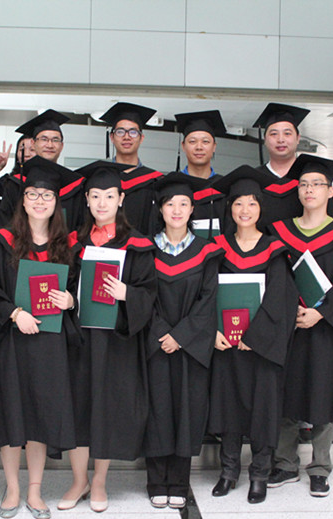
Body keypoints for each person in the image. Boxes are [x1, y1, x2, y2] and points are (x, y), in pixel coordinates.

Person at [0, 159, 83, 519]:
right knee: (13, 414)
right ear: (22, 201)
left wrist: (71, 301)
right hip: (13, 342)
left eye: (47, 195)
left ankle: (35, 491)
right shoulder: (3, 242)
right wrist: (15, 314)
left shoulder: (67, 246)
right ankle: (12, 489)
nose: (40, 201)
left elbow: (78, 291)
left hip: (51, 345)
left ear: (57, 202)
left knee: (40, 415)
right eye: (33, 195)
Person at [59, 161, 156, 513]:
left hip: (115, 340)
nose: (102, 203)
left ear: (121, 199)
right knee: (78, 406)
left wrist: (128, 293)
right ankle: (78, 480)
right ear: (86, 200)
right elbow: (65, 285)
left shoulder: (137, 244)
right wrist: (69, 299)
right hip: (79, 338)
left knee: (106, 408)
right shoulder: (72, 243)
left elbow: (149, 293)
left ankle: (99, 481)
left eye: (109, 196)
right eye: (96, 196)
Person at [267, 154, 333, 497]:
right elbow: (273, 277)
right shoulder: (280, 232)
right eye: (304, 184)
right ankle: (285, 462)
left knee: (324, 391)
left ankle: (320, 466)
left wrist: (320, 313)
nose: (309, 190)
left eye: (317, 184)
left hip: (325, 327)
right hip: (289, 325)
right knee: (286, 390)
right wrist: (288, 309)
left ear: (330, 191)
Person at [206, 165, 298, 505]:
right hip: (225, 345)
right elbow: (206, 294)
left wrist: (255, 337)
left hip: (260, 348)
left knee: (263, 409)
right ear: (230, 208)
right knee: (228, 407)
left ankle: (259, 473)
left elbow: (280, 298)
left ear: (261, 208)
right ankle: (228, 471)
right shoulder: (217, 248)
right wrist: (213, 330)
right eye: (238, 203)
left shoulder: (275, 249)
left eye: (252, 203)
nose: (245, 210)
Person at [143, 172, 224, 509]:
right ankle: (155, 480)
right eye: (170, 204)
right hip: (156, 343)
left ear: (192, 210)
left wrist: (181, 335)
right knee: (157, 409)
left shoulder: (207, 251)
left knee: (187, 410)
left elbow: (209, 299)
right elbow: (142, 296)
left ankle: (179, 481)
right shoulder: (144, 249)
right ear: (160, 209)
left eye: (183, 204)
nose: (176, 210)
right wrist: (162, 332)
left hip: (190, 346)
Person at [252, 103, 333, 226]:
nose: (280, 139)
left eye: (287, 133)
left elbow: (330, 222)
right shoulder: (254, 179)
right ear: (265, 139)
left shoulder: (314, 178)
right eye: (274, 134)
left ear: (298, 138)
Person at [0, 110, 73, 228]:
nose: (49, 145)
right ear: (33, 143)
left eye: (55, 140)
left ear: (62, 145)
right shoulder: (15, 184)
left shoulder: (72, 184)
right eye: (44, 139)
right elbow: (4, 223)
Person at [99, 102, 163, 235]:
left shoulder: (155, 181)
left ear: (141, 138)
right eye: (120, 132)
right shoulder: (99, 178)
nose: (127, 137)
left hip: (144, 246)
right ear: (112, 137)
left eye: (133, 132)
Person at [173, 110, 228, 240]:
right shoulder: (173, 186)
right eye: (192, 141)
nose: (199, 147)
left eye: (205, 142)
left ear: (214, 146)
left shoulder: (224, 187)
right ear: (183, 146)